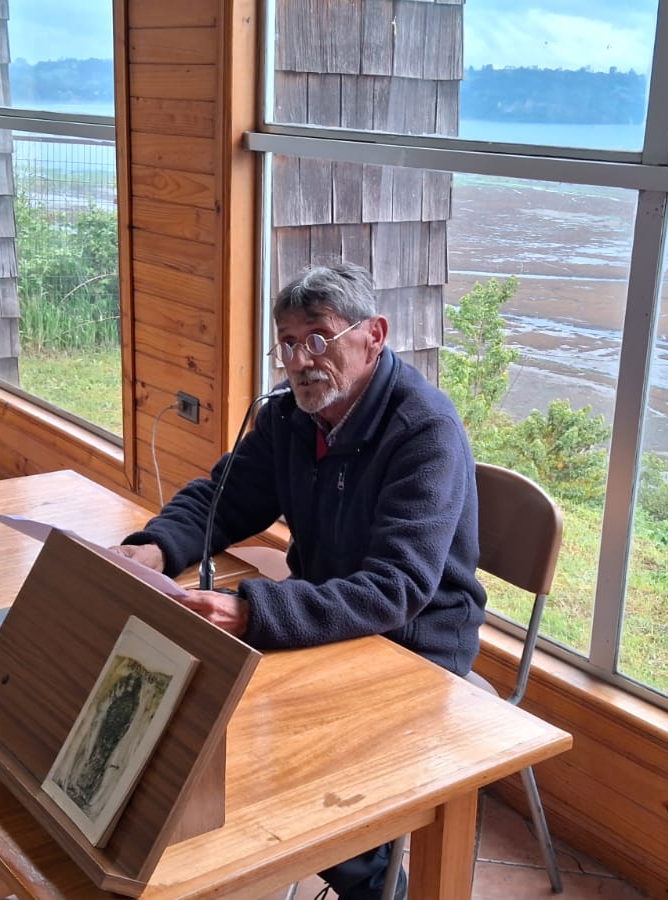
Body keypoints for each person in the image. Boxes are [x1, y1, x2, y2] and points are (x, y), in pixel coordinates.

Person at [112, 261, 486, 900]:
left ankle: (373, 885)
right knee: (182, 691)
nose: (301, 359)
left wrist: (254, 613)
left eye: (319, 337)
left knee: (297, 766)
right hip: (329, 616)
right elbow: (222, 498)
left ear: (374, 336)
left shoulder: (424, 431)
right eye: (287, 342)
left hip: (416, 642)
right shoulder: (288, 418)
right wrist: (154, 547)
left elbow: (397, 588)